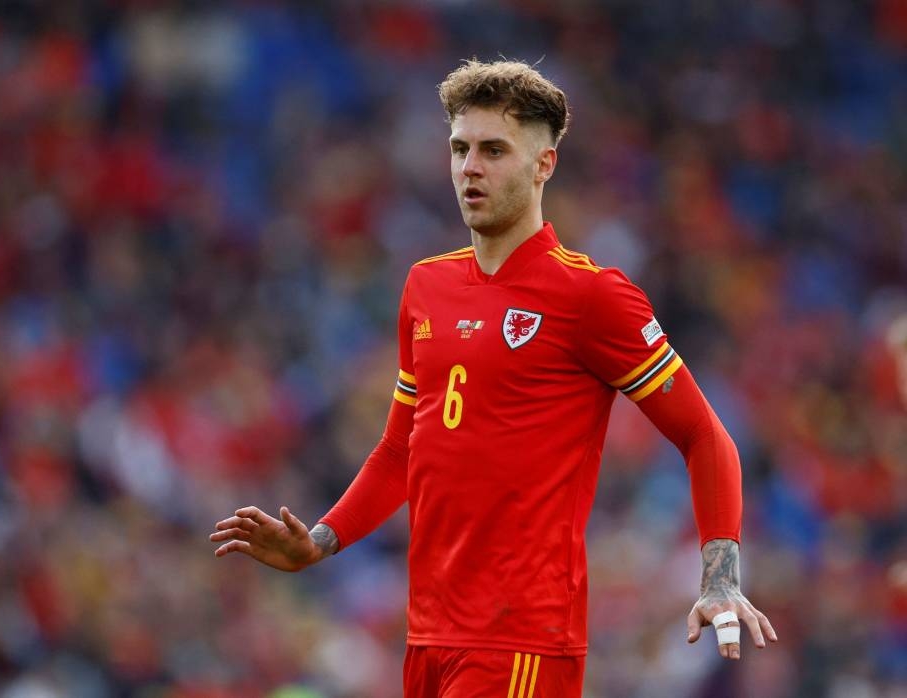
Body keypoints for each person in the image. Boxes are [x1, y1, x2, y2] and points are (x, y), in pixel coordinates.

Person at [210, 59, 777, 697]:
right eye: (459, 148)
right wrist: (319, 540)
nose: (469, 167)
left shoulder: (592, 296)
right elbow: (402, 449)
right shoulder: (426, 285)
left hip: (522, 640)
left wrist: (720, 575)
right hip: (428, 635)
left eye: (493, 150)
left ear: (544, 165)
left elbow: (704, 435)